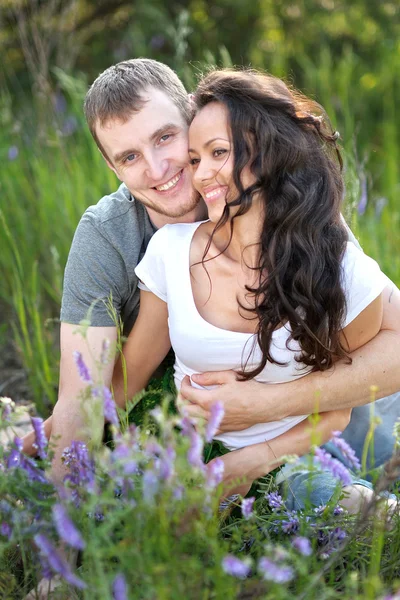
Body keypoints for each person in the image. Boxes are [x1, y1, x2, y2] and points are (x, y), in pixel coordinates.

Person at [21, 59, 400, 489]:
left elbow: (382, 345)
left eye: (166, 138)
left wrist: (263, 406)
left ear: (192, 116)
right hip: (222, 435)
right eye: (129, 157)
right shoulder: (113, 239)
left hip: (344, 405)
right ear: (113, 169)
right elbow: (89, 397)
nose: (159, 168)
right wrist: (32, 450)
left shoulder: (298, 216)